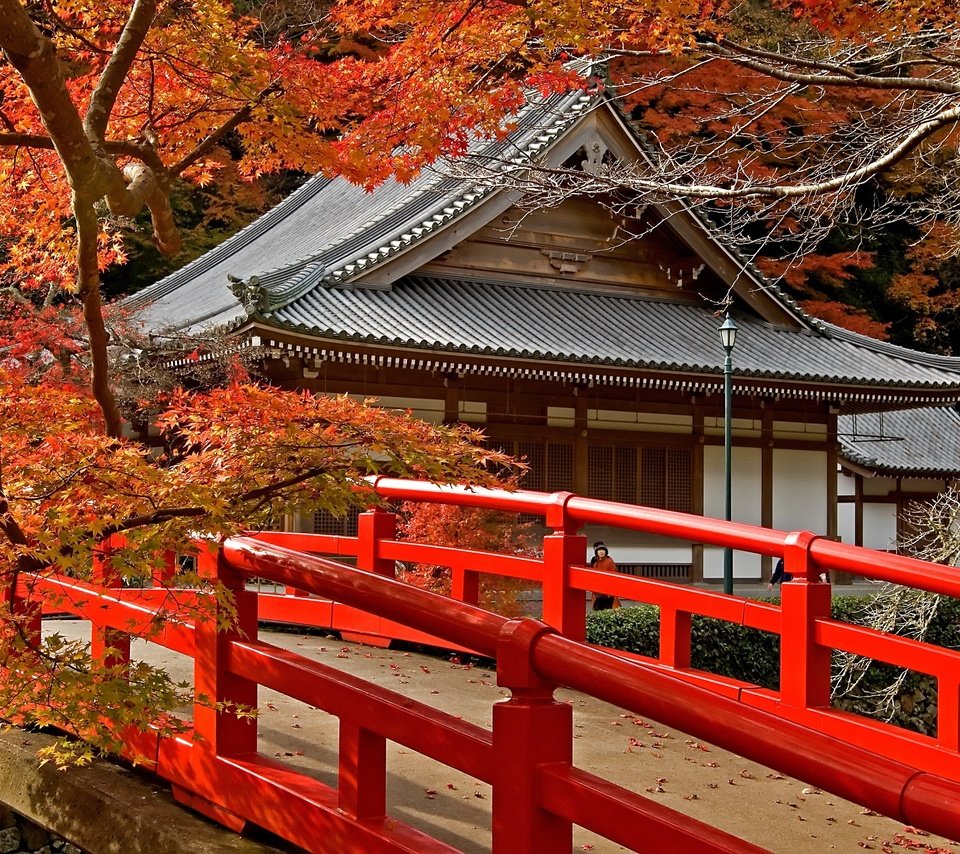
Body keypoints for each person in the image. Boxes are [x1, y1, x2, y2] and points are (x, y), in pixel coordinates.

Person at [590, 541, 620, 610]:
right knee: (598, 609)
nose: (601, 552)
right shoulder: (595, 563)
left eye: (603, 550)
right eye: (599, 550)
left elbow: (613, 575)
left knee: (607, 608)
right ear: (596, 552)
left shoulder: (609, 561)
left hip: (608, 591)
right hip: (598, 591)